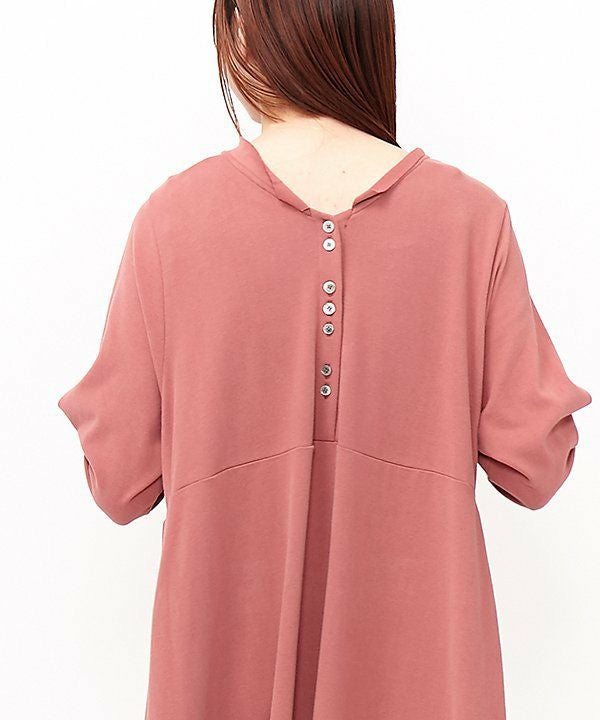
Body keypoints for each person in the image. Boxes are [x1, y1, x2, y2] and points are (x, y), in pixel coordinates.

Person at [57, 1, 592, 718]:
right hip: (424, 681)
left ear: (243, 30)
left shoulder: (171, 222)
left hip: (220, 673)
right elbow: (537, 462)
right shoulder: (472, 221)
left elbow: (118, 479)